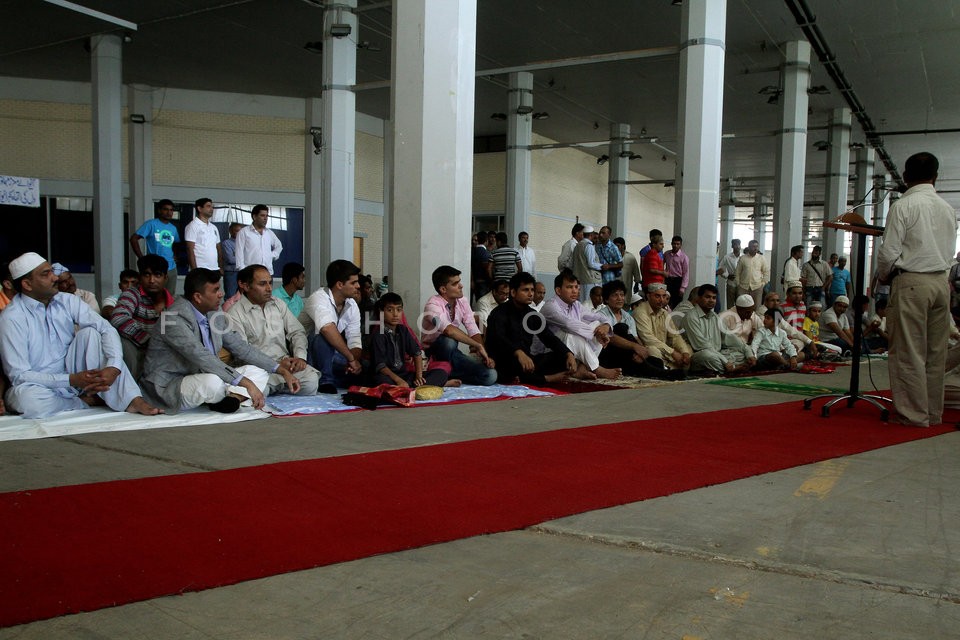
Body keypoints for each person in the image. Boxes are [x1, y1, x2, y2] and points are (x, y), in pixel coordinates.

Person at [0, 252, 160, 419]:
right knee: (28, 401)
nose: (55, 278)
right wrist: (71, 380)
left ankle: (132, 399)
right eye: (46, 274)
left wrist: (113, 366)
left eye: (51, 271)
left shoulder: (67, 300)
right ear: (27, 284)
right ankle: (83, 402)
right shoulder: (11, 318)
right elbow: (19, 375)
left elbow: (106, 327)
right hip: (39, 386)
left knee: (91, 333)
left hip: (78, 377)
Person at [141, 268, 298, 414]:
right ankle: (228, 395)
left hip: (205, 374)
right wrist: (246, 384)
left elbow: (242, 348)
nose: (221, 294)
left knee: (258, 370)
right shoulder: (171, 319)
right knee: (214, 382)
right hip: (170, 385)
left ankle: (233, 398)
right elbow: (201, 356)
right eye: (215, 290)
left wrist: (281, 370)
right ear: (197, 297)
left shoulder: (214, 314)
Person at [876, 152, 957, 427]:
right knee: (937, 353)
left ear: (905, 177)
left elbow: (888, 253)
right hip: (940, 283)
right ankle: (933, 413)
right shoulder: (948, 209)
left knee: (909, 351)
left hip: (912, 281)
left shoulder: (903, 206)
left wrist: (884, 277)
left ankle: (913, 415)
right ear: (936, 177)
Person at [225, 264, 319, 396]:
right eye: (262, 284)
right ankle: (272, 388)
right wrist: (277, 365)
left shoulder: (278, 304)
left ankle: (274, 388)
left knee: (311, 382)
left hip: (286, 364)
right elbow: (243, 353)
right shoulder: (234, 313)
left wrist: (300, 358)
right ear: (245, 286)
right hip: (259, 368)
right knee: (255, 386)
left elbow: (297, 332)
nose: (269, 288)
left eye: (270, 283)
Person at [484, 272, 578, 386]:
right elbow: (499, 340)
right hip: (504, 361)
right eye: (525, 290)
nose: (530, 294)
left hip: (527, 362)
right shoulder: (499, 313)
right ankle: (546, 379)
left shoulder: (532, 315)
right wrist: (518, 352)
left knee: (561, 358)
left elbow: (548, 338)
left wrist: (568, 353)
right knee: (513, 367)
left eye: (532, 290)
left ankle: (530, 377)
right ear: (513, 292)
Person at [421, 265, 497, 386]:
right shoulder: (432, 304)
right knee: (448, 341)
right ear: (443, 289)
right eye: (455, 283)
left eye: (459, 282)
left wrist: (485, 356)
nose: (461, 286)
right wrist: (477, 345)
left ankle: (446, 374)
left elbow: (472, 328)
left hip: (452, 354)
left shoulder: (462, 301)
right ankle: (440, 372)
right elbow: (448, 330)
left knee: (490, 376)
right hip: (433, 353)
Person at [540, 269, 620, 380]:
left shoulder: (576, 305)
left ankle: (581, 368)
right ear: (558, 291)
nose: (574, 291)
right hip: (548, 353)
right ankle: (596, 368)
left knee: (597, 324)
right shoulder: (551, 306)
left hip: (570, 353)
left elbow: (601, 317)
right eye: (569, 287)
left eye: (576, 287)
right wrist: (597, 334)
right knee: (572, 333)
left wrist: (605, 326)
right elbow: (569, 325)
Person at [302, 259, 365, 393]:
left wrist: (352, 362)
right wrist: (350, 358)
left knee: (365, 369)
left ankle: (326, 378)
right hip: (305, 354)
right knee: (324, 336)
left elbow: (354, 339)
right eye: (353, 283)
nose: (358, 286)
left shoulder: (351, 305)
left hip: (330, 357)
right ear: (340, 284)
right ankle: (326, 381)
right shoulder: (318, 298)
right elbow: (327, 329)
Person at [597, 279, 680, 378]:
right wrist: (634, 347)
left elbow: (635, 338)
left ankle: (653, 370)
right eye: (615, 295)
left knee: (656, 361)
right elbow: (611, 337)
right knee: (621, 328)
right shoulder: (601, 315)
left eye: (622, 295)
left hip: (626, 354)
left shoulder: (628, 317)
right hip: (607, 354)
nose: (619, 298)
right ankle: (661, 374)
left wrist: (640, 351)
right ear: (606, 299)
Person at [109, 254, 175, 379]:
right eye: (147, 275)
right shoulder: (132, 294)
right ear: (140, 277)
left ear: (165, 278)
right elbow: (119, 318)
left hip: (163, 354)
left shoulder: (174, 303)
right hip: (136, 348)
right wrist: (149, 341)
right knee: (123, 344)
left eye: (157, 275)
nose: (152, 280)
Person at [369, 292, 450, 388]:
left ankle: (411, 387)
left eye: (399, 310)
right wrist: (399, 381)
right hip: (388, 376)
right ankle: (416, 387)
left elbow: (417, 353)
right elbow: (380, 366)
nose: (395, 314)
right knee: (383, 383)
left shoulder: (403, 330)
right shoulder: (378, 334)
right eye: (390, 310)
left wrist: (418, 376)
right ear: (381, 311)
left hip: (404, 375)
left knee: (441, 374)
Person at [679, 284, 756, 374]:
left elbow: (730, 337)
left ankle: (725, 369)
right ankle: (732, 369)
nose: (711, 300)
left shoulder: (715, 317)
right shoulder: (691, 317)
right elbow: (702, 346)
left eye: (714, 298)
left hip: (718, 353)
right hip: (697, 356)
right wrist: (725, 361)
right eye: (707, 297)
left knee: (742, 353)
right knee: (707, 356)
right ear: (698, 298)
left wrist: (749, 353)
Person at [632, 282, 692, 370]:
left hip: (665, 349)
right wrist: (672, 352)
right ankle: (666, 370)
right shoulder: (640, 312)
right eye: (657, 296)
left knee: (688, 349)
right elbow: (648, 339)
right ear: (648, 296)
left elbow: (675, 336)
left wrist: (685, 352)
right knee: (653, 351)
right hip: (647, 348)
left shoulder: (664, 313)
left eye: (664, 296)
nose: (661, 300)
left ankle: (669, 369)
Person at [130, 199, 181, 297]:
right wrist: (141, 258)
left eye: (171, 210)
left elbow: (177, 243)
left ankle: (166, 313)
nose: (169, 212)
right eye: (166, 209)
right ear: (159, 210)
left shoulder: (173, 228)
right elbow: (134, 239)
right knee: (154, 295)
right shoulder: (151, 224)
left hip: (171, 267)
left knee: (169, 296)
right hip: (155, 267)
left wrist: (175, 255)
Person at [235, 205, 283, 276]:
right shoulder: (244, 232)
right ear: (254, 217)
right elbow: (239, 253)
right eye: (262, 215)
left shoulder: (269, 233)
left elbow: (279, 246)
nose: (265, 218)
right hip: (250, 274)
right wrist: (243, 271)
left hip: (268, 272)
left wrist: (272, 255)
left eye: (267, 216)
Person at [184, 197, 223, 272]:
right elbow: (189, 249)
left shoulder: (213, 227)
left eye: (212, 207)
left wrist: (220, 266)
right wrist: (194, 270)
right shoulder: (192, 226)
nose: (211, 209)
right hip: (200, 268)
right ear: (199, 208)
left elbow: (218, 248)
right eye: (208, 206)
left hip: (214, 268)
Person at [734, 240, 769, 311]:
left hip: (757, 287)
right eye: (753, 246)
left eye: (756, 246)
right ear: (749, 247)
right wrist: (738, 284)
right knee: (742, 308)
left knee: (756, 308)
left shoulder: (761, 258)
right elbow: (737, 272)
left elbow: (766, 272)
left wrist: (763, 283)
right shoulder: (743, 258)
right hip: (743, 287)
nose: (755, 248)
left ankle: (755, 321)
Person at [572, 225, 602, 303]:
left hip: (580, 280)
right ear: (591, 235)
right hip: (590, 280)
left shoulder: (577, 246)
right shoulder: (589, 246)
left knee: (581, 303)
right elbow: (591, 263)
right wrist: (603, 266)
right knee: (589, 303)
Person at [664, 235, 689, 310]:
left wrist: (682, 288)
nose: (675, 245)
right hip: (668, 280)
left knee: (676, 303)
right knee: (666, 301)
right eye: (674, 243)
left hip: (678, 281)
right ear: (671, 243)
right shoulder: (667, 254)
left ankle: (674, 319)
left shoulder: (684, 257)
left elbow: (686, 273)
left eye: (678, 244)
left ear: (681, 245)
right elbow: (660, 263)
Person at [220, 222, 244, 299]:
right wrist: (244, 259)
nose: (239, 233)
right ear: (230, 231)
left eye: (240, 231)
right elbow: (230, 259)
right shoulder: (226, 243)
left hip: (243, 272)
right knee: (230, 296)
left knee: (242, 296)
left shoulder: (245, 244)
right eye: (236, 231)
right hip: (231, 273)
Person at [717, 239, 741, 310]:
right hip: (731, 284)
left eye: (738, 244)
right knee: (730, 305)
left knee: (740, 305)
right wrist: (726, 275)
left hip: (741, 285)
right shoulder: (727, 257)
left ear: (740, 246)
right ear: (732, 246)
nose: (737, 246)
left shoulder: (743, 257)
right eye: (735, 244)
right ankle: (730, 319)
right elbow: (719, 268)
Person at [471, 230, 494, 303]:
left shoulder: (472, 251)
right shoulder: (485, 253)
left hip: (473, 281)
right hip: (483, 282)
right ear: (486, 240)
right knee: (483, 303)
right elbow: (487, 268)